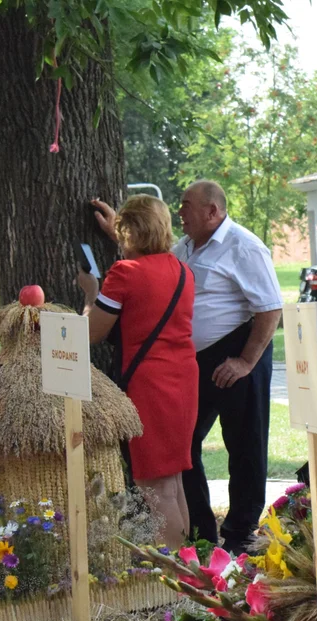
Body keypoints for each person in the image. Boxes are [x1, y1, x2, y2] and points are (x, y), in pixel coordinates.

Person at [80, 195, 197, 550]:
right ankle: (192, 566)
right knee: (172, 482)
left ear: (129, 231)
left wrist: (90, 294)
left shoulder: (124, 273)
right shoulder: (182, 270)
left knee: (153, 486)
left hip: (149, 385)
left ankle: (179, 580)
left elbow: (91, 333)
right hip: (183, 380)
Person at [172, 180, 282, 553]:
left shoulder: (244, 246)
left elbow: (270, 308)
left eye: (186, 206)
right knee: (183, 443)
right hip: (197, 360)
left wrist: (246, 361)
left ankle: (240, 533)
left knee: (245, 443)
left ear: (212, 211)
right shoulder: (185, 247)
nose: (180, 213)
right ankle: (202, 531)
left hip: (240, 350)